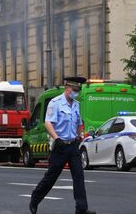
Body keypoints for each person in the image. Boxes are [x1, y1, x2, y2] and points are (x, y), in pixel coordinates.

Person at [30, 77, 95, 214]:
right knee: (52, 176)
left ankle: (81, 208)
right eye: (74, 90)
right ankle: (35, 198)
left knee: (79, 176)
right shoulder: (56, 103)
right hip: (60, 146)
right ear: (67, 88)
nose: (76, 92)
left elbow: (78, 123)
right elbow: (48, 123)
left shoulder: (76, 104)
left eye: (78, 90)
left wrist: (80, 134)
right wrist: (56, 138)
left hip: (73, 146)